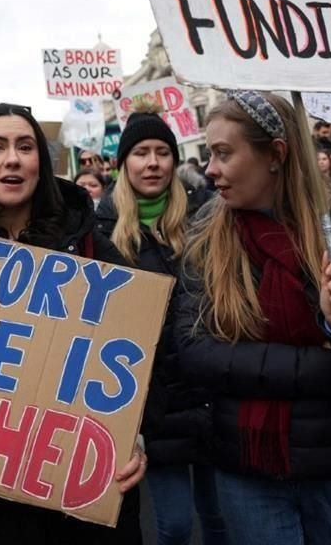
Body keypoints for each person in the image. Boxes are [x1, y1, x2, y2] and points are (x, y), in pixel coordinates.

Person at [0, 103, 147, 544]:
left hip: (84, 495)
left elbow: (147, 352)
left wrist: (135, 435)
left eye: (25, 146)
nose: (12, 158)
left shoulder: (91, 245)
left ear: (41, 162)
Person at [174, 91, 331, 543]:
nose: (210, 169)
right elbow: (198, 354)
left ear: (275, 155)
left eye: (224, 153)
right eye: (209, 154)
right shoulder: (207, 233)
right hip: (247, 470)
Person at [94, 113, 227, 545]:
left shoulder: (210, 219)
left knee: (220, 520)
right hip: (154, 405)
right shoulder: (100, 234)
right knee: (173, 525)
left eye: (162, 152)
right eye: (140, 153)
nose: (152, 162)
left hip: (212, 394)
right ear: (123, 164)